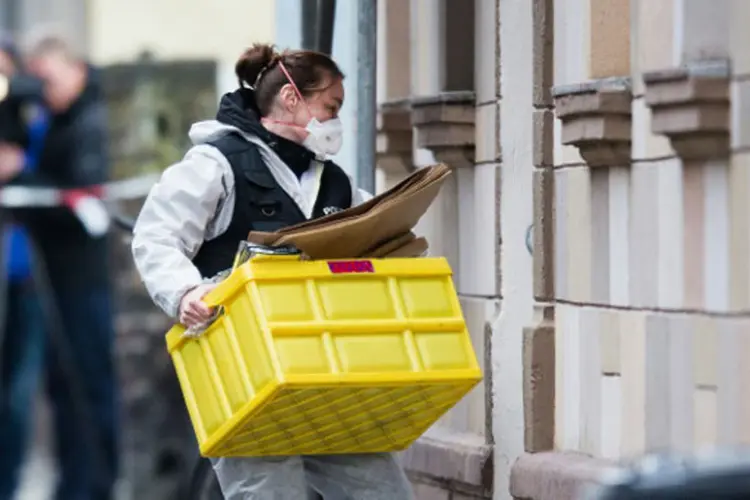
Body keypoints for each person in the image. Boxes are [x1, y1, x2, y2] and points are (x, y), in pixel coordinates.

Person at [131, 43, 414, 499]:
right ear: (290, 98)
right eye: (331, 106)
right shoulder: (217, 164)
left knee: (379, 490)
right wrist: (185, 294)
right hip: (241, 368)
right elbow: (156, 236)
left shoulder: (336, 183)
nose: (336, 120)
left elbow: (379, 236)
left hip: (325, 368)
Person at [0, 33, 118, 500]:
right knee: (61, 389)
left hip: (81, 278)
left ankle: (96, 485)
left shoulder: (89, 121)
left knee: (88, 386)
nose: (43, 89)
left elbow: (77, 196)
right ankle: (74, 485)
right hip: (48, 273)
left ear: (76, 70)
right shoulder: (50, 119)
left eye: (48, 78)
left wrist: (20, 174)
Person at [0, 36, 49, 500]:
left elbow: (49, 179)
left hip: (25, 274)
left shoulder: (31, 117)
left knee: (17, 395)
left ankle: (9, 485)